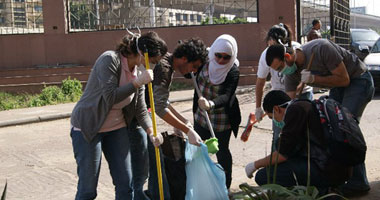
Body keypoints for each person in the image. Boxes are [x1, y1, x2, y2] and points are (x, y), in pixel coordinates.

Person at [265, 39, 375, 196]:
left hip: (358, 80)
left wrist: (314, 79)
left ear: (288, 56)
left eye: (280, 67)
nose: (282, 72)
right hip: (338, 88)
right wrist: (284, 126)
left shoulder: (321, 48)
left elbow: (345, 79)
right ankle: (339, 179)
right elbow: (288, 104)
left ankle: (359, 182)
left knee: (345, 128)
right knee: (329, 129)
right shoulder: (291, 72)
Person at [70, 31, 167, 200]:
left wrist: (152, 132)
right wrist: (137, 83)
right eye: (153, 61)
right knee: (88, 190)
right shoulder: (109, 59)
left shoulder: (138, 71)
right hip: (88, 127)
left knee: (125, 185)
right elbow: (110, 97)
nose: (153, 66)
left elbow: (140, 109)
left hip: (117, 128)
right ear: (142, 53)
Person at [245, 90, 352, 193]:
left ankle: (322, 191)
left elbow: (282, 155)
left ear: (277, 109)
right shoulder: (304, 104)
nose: (275, 121)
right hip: (340, 166)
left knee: (264, 176)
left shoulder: (294, 112)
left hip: (327, 170)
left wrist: (254, 165)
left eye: (271, 117)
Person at [146, 37, 208, 200]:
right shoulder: (165, 68)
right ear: (184, 59)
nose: (193, 71)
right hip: (135, 120)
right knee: (152, 170)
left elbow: (162, 100)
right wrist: (188, 130)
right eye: (194, 66)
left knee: (155, 167)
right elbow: (159, 107)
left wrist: (183, 122)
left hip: (142, 117)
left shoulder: (168, 63)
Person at [192, 34, 241, 189]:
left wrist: (211, 104)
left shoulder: (233, 71)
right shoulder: (203, 61)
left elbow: (227, 95)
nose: (220, 60)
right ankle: (199, 185)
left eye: (226, 57)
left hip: (222, 119)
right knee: (198, 151)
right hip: (201, 117)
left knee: (222, 151)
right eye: (218, 55)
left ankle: (225, 186)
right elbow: (189, 72)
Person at [254, 23, 313, 151]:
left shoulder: (296, 50)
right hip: (279, 100)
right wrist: (258, 107)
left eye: (273, 45)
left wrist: (291, 98)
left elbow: (302, 81)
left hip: (302, 94)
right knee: (279, 136)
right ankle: (276, 166)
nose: (271, 49)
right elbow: (260, 82)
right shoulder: (266, 55)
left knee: (305, 132)